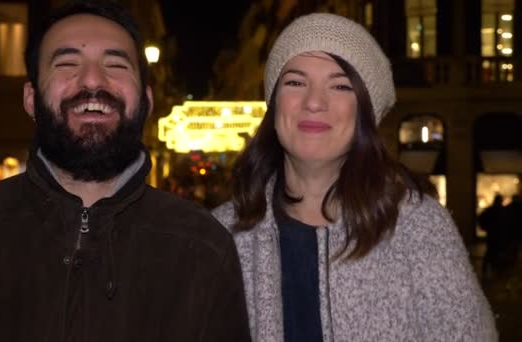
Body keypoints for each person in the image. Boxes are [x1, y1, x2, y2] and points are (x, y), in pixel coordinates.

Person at [0, 1, 250, 341]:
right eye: (67, 63)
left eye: (116, 64)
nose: (92, 80)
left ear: (146, 100)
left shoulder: (204, 247)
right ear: (31, 98)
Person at [213, 13, 497, 342]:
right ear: (275, 103)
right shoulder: (219, 238)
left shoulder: (420, 229)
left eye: (340, 85)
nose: (314, 102)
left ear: (364, 111)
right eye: (295, 82)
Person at [478, 194, 505, 276]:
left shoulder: (491, 209)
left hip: (493, 234)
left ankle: (487, 270)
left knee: (491, 251)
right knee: (494, 252)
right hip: (497, 234)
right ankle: (492, 270)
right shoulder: (500, 210)